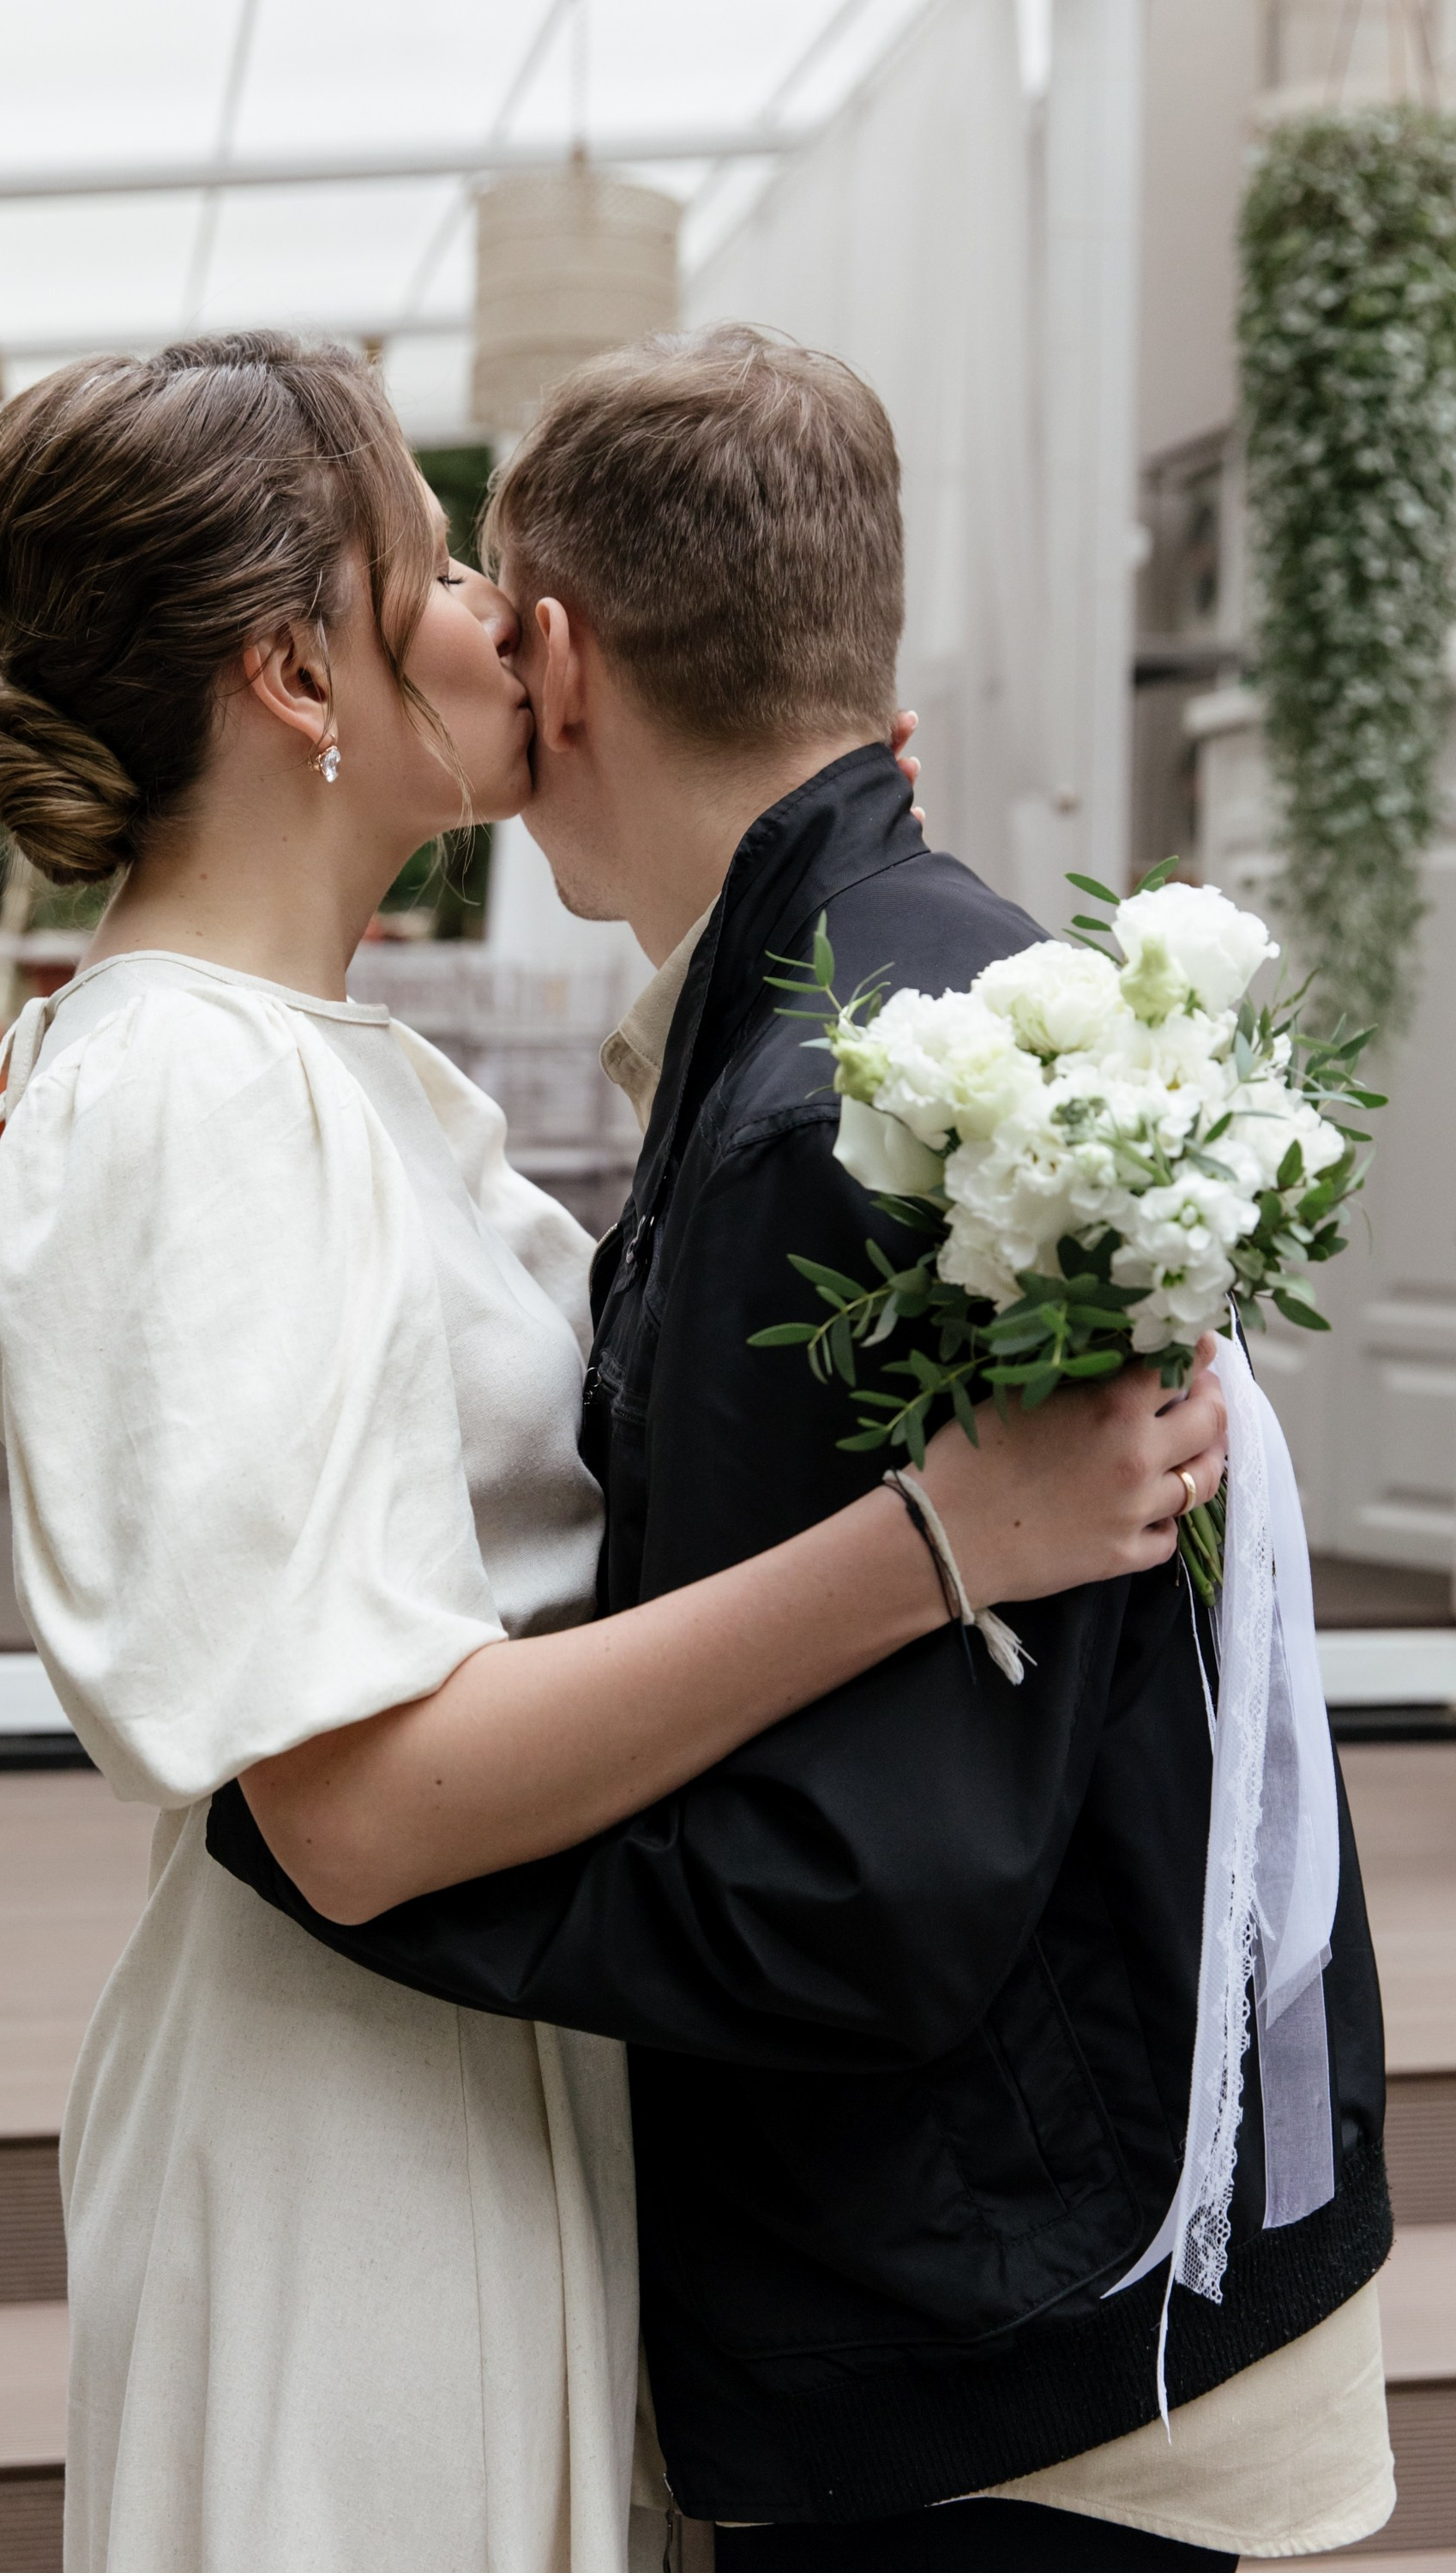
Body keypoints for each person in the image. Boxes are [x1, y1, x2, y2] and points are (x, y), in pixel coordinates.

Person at [0, 334, 1228, 2573]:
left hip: (504, 2075)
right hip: (357, 2128)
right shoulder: (187, 1102)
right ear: (293, 672)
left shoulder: (312, 1069)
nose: (499, 625)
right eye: (436, 568)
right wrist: (937, 1539)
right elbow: (345, 1807)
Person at [209, 329, 1395, 2571]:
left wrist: (325, 1846)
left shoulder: (822, 1114)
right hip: (1096, 2224)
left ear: (556, 658)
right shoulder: (938, 982)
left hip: (985, 2341)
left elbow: (858, 1899)